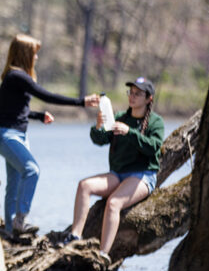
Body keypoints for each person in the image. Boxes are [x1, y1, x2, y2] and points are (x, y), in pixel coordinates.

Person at [0, 34, 100, 237]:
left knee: (14, 183)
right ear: (25, 54)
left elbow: (11, 111)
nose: (37, 58)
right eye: (34, 53)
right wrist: (81, 102)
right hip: (7, 136)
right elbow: (46, 95)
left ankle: (9, 232)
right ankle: (20, 220)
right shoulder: (17, 76)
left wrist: (38, 116)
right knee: (32, 170)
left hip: (12, 134)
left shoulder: (14, 77)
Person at [66, 77, 164, 254]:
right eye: (131, 93)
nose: (132, 97)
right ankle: (74, 236)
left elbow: (153, 147)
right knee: (84, 186)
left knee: (113, 203)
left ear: (149, 98)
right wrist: (98, 126)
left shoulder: (156, 122)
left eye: (138, 94)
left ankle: (102, 254)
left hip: (142, 176)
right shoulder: (120, 117)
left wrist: (130, 132)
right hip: (117, 174)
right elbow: (100, 140)